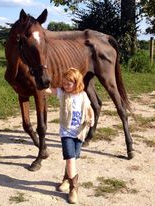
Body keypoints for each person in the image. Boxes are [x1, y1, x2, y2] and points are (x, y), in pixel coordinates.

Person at [45, 67, 94, 204]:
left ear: (77, 83)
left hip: (79, 133)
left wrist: (92, 118)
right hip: (66, 132)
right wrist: (38, 82)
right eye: (64, 83)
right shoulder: (62, 93)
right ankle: (74, 189)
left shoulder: (83, 95)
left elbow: (90, 109)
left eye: (69, 83)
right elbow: (49, 90)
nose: (65, 86)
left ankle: (66, 179)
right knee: (70, 158)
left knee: (74, 157)